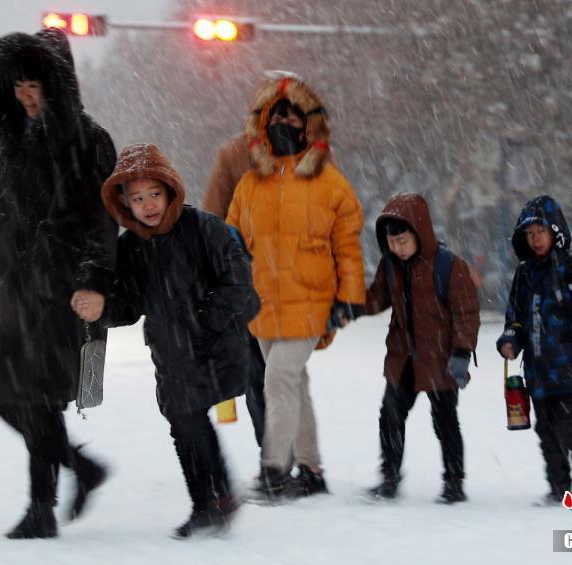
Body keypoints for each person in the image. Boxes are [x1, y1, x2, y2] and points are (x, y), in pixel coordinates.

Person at [0, 28, 116, 539]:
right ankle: (82, 470)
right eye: (17, 86)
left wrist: (93, 281)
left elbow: (102, 222)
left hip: (58, 294)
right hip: (11, 295)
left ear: (57, 85)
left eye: (33, 85)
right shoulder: (15, 146)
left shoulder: (89, 141)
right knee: (10, 401)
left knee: (38, 402)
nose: (24, 96)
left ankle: (41, 509)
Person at [75, 143, 256, 538]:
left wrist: (207, 320)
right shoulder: (132, 248)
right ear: (125, 203)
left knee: (189, 418)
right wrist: (101, 308)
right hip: (170, 352)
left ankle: (216, 500)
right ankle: (210, 501)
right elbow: (129, 304)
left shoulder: (201, 228)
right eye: (137, 198)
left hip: (210, 345)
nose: (148, 205)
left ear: (170, 190)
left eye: (154, 194)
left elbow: (238, 280)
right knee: (183, 422)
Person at [226, 74, 366, 500]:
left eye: (292, 117)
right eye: (274, 117)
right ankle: (311, 469)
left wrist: (349, 298)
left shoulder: (330, 183)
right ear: (261, 125)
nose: (282, 124)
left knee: (278, 378)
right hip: (263, 303)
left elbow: (347, 243)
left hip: (311, 300)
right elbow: (230, 243)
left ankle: (274, 468)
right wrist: (227, 291)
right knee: (294, 383)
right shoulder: (250, 184)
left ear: (309, 126)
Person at [496, 195, 572, 505]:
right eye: (530, 233)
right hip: (538, 369)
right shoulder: (525, 274)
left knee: (567, 423)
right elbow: (516, 317)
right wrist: (511, 339)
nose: (535, 239)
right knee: (546, 429)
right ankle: (558, 486)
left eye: (541, 232)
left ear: (556, 232)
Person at [364, 193, 480, 503]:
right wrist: (348, 306)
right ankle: (389, 476)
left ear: (419, 233)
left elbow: (466, 313)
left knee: (445, 421)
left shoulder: (449, 266)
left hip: (440, 357)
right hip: (403, 357)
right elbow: (375, 299)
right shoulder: (391, 266)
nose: (397, 248)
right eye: (392, 242)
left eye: (403, 241)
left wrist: (461, 352)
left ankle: (454, 482)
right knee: (390, 415)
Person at [202, 132, 267, 448]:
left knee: (273, 376)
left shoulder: (304, 153)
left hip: (285, 285)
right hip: (248, 279)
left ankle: (281, 456)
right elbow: (213, 217)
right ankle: (274, 456)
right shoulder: (234, 153)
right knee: (260, 373)